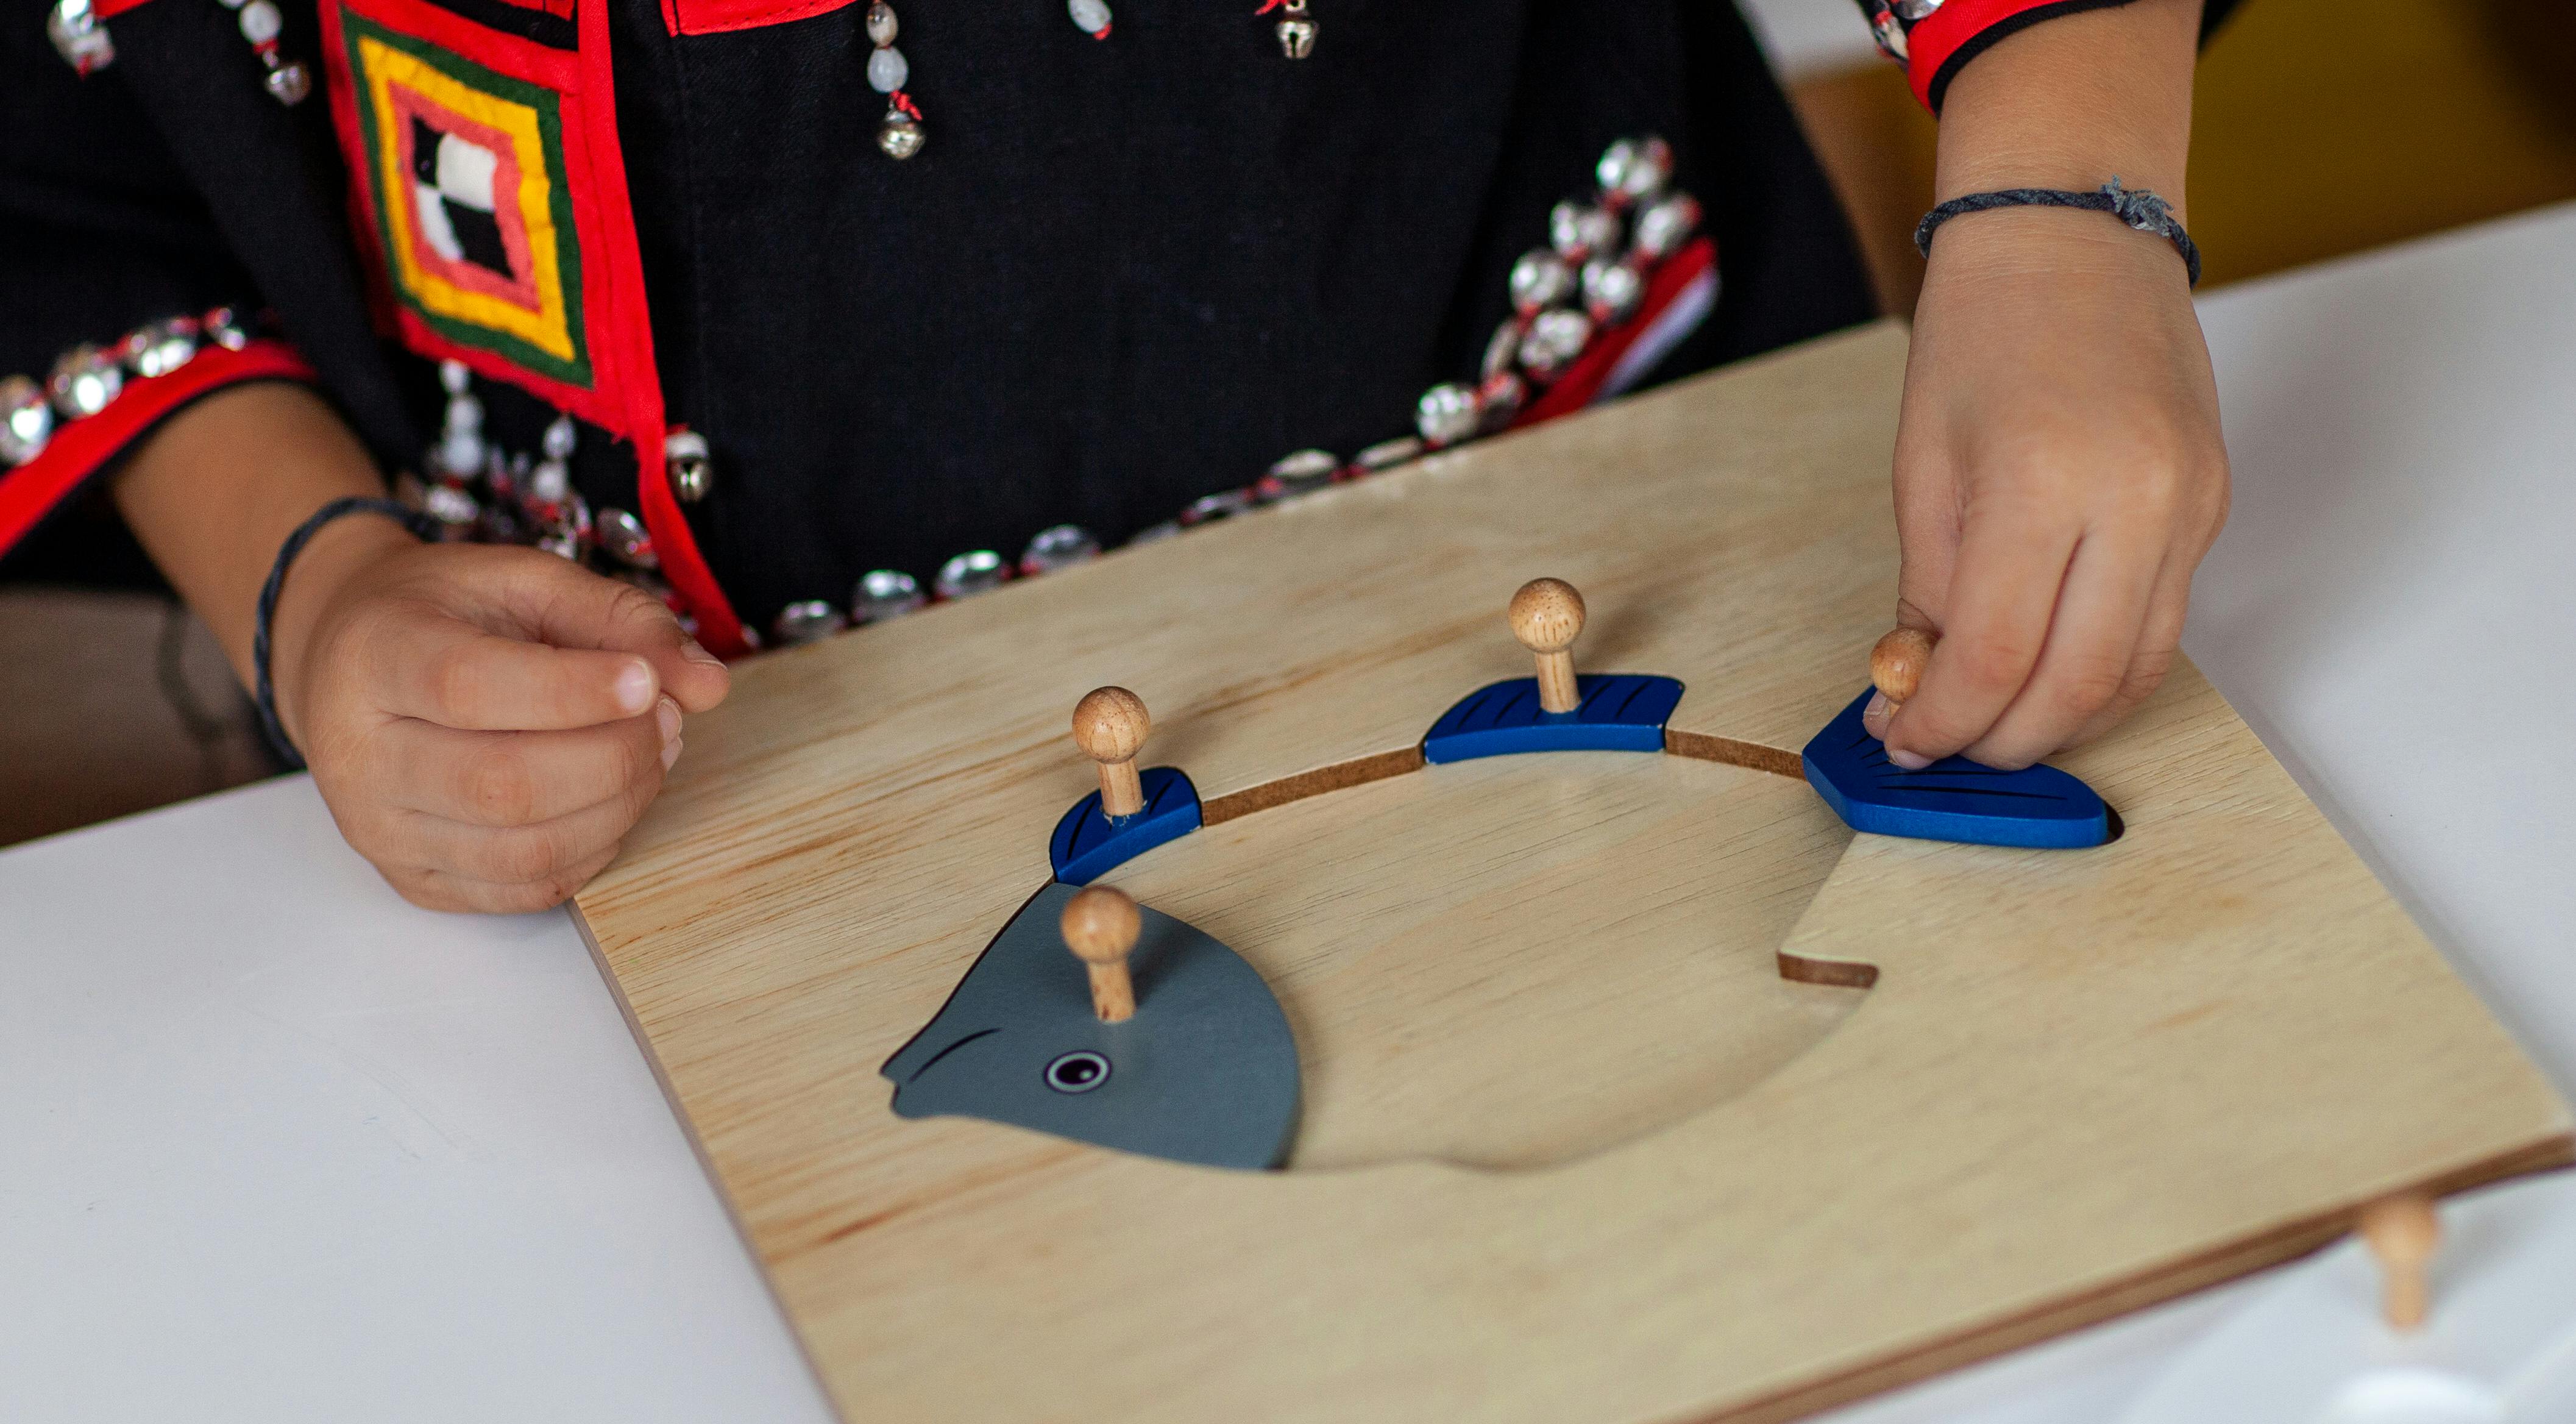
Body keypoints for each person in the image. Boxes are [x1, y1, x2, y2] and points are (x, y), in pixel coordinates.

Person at [2, 0, 2233, 912]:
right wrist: (307, 585)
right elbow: (53, 176)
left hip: (1621, 501)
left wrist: (2065, 188)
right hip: (667, 788)